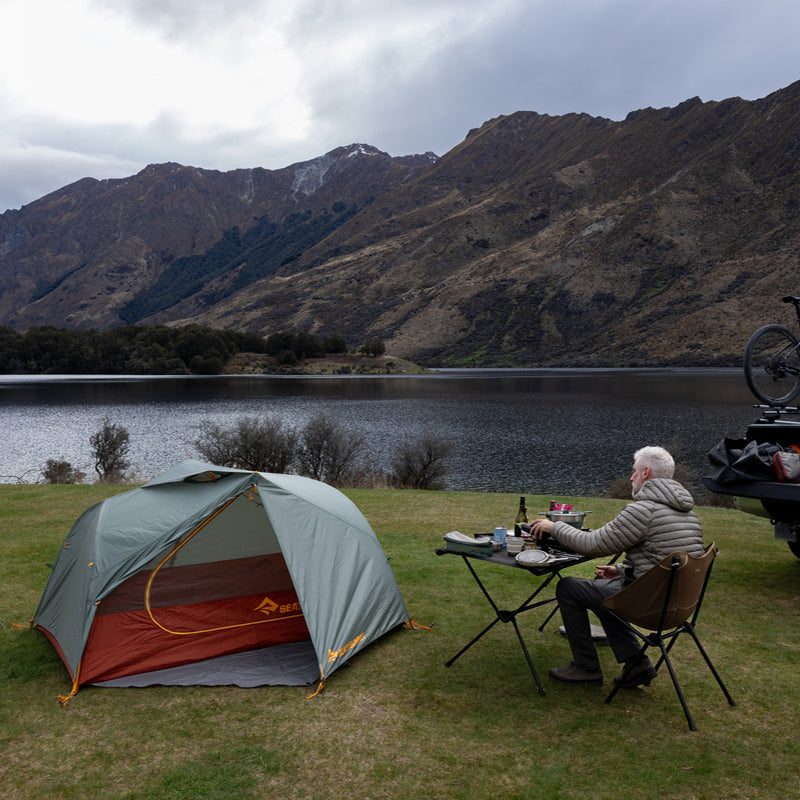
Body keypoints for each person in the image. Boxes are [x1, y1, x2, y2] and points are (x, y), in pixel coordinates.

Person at [530, 446, 704, 687]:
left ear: (645, 472)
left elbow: (593, 544)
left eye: (634, 471)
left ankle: (585, 667)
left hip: (652, 606)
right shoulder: (689, 514)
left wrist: (554, 527)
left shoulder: (645, 510)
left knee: (569, 587)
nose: (631, 477)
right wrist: (623, 570)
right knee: (606, 587)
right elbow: (662, 562)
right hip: (680, 605)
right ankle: (636, 664)